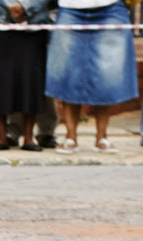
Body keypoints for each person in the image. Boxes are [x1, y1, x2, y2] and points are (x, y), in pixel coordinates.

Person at [45, 0, 138, 152]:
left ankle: (102, 137)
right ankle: (70, 136)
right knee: (69, 71)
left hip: (110, 7)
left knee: (107, 73)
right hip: (70, 8)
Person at [0, 0, 50, 150]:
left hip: (33, 26)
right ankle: (1, 137)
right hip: (2, 23)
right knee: (0, 82)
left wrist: (25, 7)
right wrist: (10, 6)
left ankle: (29, 138)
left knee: (31, 82)